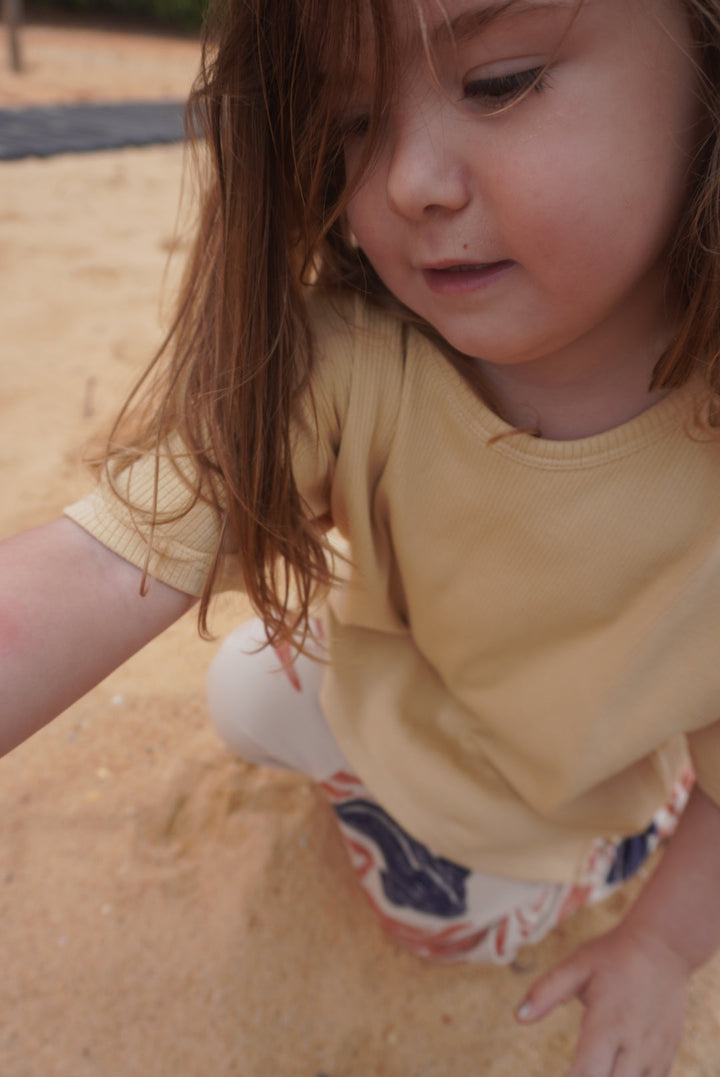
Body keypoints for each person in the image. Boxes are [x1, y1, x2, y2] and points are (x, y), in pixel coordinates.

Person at [4, 0, 720, 1071]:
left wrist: (658, 949)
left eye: (498, 82)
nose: (406, 182)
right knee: (240, 692)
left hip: (535, 800)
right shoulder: (352, 358)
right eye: (353, 124)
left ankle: (609, 844)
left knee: (442, 925)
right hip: (412, 690)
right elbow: (104, 568)